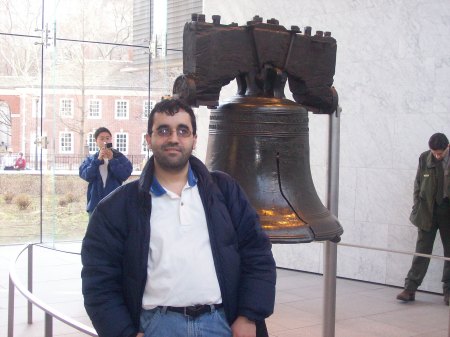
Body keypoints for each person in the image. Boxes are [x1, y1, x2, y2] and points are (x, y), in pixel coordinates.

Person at [81, 98, 276, 337]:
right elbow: (99, 279)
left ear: (194, 140)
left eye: (183, 131)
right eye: (163, 130)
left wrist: (248, 317)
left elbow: (257, 253)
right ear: (149, 140)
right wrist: (123, 332)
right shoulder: (116, 208)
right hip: (156, 327)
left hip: (223, 324)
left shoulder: (225, 191)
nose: (173, 138)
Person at [397, 132, 450, 304]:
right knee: (422, 250)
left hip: (447, 211)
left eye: (440, 153)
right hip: (427, 211)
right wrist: (416, 207)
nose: (437, 155)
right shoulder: (424, 158)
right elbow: (418, 184)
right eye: (434, 152)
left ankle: (448, 292)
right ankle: (410, 288)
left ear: (447, 147)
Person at [79, 127, 133, 215]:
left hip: (115, 204)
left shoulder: (119, 157)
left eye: (107, 138)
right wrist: (98, 160)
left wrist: (112, 159)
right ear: (96, 141)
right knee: (95, 229)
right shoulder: (91, 159)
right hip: (95, 205)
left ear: (111, 140)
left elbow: (124, 174)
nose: (105, 141)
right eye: (102, 138)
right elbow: (87, 176)